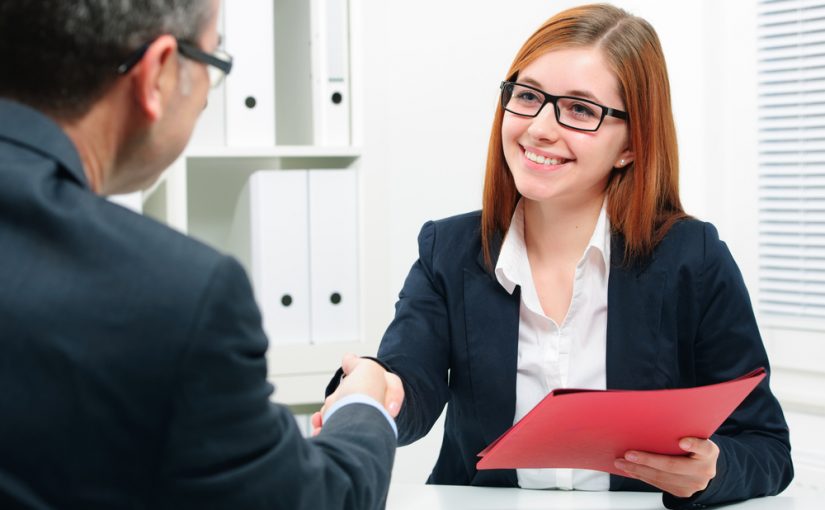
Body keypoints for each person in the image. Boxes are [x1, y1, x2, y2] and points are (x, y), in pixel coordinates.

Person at [320, 3, 792, 509]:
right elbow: (410, 384)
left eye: (581, 110)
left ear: (630, 145)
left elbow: (766, 448)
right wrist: (378, 388)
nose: (540, 127)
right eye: (527, 97)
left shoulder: (692, 259)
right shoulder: (449, 251)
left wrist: (712, 470)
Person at [0, 1, 402, 508]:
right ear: (158, 73)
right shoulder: (178, 296)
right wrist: (364, 404)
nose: (210, 100)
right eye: (216, 63)